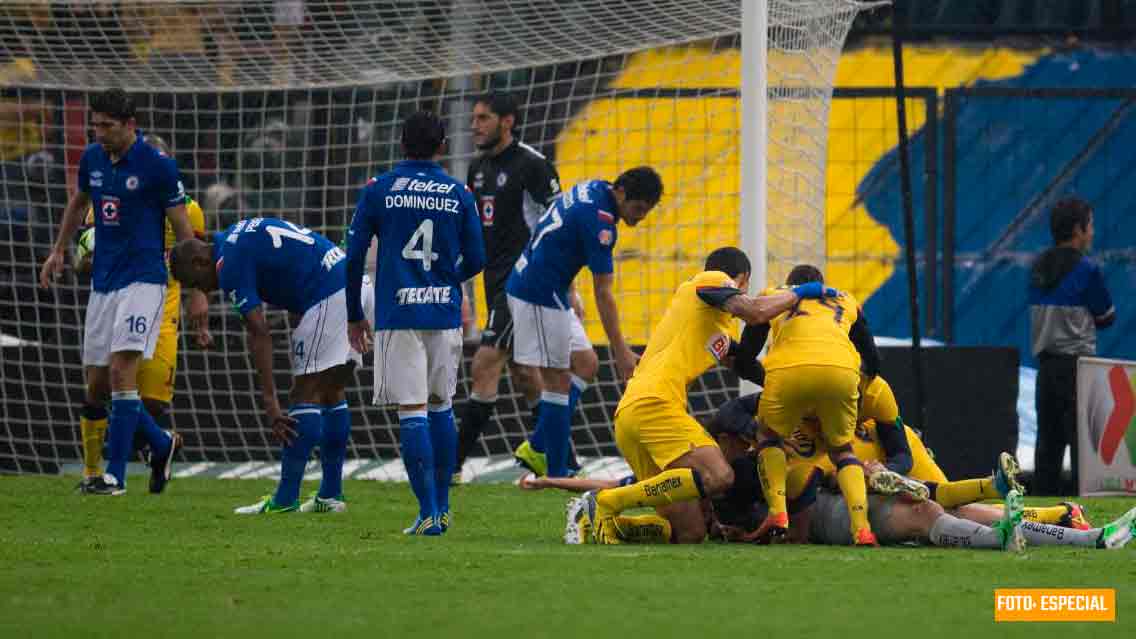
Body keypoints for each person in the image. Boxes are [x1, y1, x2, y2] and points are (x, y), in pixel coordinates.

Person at [566, 247, 838, 545]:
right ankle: (606, 501)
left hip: (633, 415)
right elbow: (756, 311)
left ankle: (599, 519)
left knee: (689, 533)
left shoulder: (710, 328)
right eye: (744, 287)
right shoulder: (708, 280)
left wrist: (792, 387)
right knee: (720, 475)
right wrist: (801, 293)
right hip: (655, 403)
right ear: (742, 278)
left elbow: (746, 366)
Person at [39, 88, 196, 496]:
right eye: (95, 124)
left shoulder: (158, 166)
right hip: (103, 282)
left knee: (120, 373)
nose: (99, 131)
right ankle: (157, 446)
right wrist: (59, 250)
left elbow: (184, 232)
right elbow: (79, 203)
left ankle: (115, 477)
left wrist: (197, 290)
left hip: (144, 281)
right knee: (96, 384)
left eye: (107, 125)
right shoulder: (92, 157)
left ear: (130, 125)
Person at [345, 111, 485, 535]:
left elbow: (352, 260)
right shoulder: (458, 193)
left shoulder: (379, 190)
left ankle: (426, 514)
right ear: (441, 146)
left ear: (401, 143)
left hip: (398, 312)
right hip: (443, 312)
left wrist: (354, 315)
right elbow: (477, 259)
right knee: (441, 406)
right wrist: (444, 281)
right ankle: (440, 509)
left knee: (412, 410)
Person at [455, 92, 595, 480]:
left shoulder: (533, 166)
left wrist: (570, 287)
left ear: (507, 121)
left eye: (483, 118)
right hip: (493, 280)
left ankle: (448, 464)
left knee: (486, 361)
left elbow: (561, 226)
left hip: (525, 281)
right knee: (523, 373)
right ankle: (559, 457)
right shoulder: (477, 168)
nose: (475, 126)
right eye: (474, 119)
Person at [170, 217, 353, 514]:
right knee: (332, 392)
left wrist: (270, 404)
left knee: (302, 395)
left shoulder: (227, 265)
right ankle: (330, 496)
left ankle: (285, 500)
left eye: (194, 283)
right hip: (351, 280)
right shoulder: (229, 236)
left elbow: (259, 332)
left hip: (329, 293)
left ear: (199, 262)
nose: (201, 290)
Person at [72, 134, 210, 492]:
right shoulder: (110, 197)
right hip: (114, 294)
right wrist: (81, 257)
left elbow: (195, 259)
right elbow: (84, 254)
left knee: (146, 399)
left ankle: (123, 469)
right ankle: (108, 466)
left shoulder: (189, 210)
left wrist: (196, 297)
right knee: (100, 386)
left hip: (162, 306)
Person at [508, 167, 660, 480]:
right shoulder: (602, 223)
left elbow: (562, 239)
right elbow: (604, 293)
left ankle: (537, 447)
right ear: (620, 193)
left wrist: (570, 292)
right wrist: (621, 352)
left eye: (646, 211)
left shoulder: (594, 187)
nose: (640, 217)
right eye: (638, 209)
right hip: (537, 292)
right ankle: (556, 471)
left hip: (553, 288)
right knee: (557, 381)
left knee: (586, 363)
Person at [749, 264, 882, 545]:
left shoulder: (772, 295)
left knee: (768, 436)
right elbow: (874, 360)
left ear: (790, 285)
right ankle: (862, 529)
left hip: (787, 371)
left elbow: (749, 352)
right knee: (843, 451)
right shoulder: (846, 299)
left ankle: (777, 513)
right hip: (842, 371)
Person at [1028, 197, 1115, 496]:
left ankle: (1040, 509)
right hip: (1079, 368)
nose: (1092, 232)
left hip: (1046, 367)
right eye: (1090, 225)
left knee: (1047, 447)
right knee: (1083, 446)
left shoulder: (1038, 267)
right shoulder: (1087, 270)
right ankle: (1081, 510)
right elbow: (1106, 316)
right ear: (1078, 229)